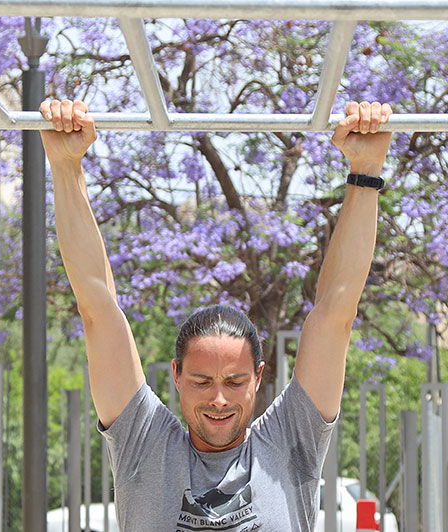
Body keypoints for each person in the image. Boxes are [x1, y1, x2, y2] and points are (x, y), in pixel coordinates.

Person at [41, 97, 390, 531]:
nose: (219, 399)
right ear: (176, 375)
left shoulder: (289, 440)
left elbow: (336, 312)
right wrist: (65, 164)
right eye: (202, 381)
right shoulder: (144, 445)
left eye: (235, 381)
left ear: (259, 377)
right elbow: (97, 308)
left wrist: (366, 171)